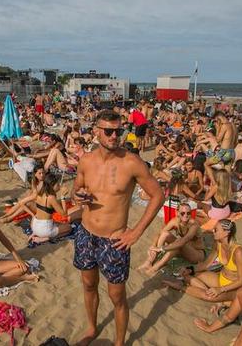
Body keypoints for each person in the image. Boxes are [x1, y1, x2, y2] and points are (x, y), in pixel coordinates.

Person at [71, 110, 164, 346]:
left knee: (117, 297)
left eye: (118, 131)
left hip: (115, 240)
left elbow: (157, 195)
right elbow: (75, 190)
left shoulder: (131, 162)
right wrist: (79, 196)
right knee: (89, 285)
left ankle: (120, 342)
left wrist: (137, 231)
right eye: (109, 131)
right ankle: (92, 329)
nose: (114, 136)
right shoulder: (86, 160)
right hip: (85, 233)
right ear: (96, 132)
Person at [163, 220, 242, 304]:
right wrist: (189, 269)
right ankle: (210, 293)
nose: (213, 231)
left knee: (208, 297)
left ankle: (182, 288)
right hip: (220, 279)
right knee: (188, 275)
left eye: (216, 230)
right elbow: (205, 265)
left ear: (226, 233)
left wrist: (220, 289)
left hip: (233, 287)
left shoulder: (238, 252)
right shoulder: (218, 244)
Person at [138, 203, 205, 276]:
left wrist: (162, 248)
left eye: (188, 213)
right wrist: (154, 245)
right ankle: (149, 261)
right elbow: (160, 233)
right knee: (164, 234)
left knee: (177, 243)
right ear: (177, 213)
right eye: (182, 213)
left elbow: (185, 240)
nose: (185, 215)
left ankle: (155, 268)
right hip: (184, 249)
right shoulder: (175, 221)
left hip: (197, 254)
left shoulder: (194, 225)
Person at [29, 173, 71, 243]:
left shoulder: (40, 193)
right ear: (52, 185)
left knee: (58, 223)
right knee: (69, 228)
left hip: (34, 224)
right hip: (44, 229)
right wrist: (63, 197)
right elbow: (64, 214)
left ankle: (36, 234)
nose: (59, 186)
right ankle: (45, 239)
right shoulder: (51, 198)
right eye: (58, 184)